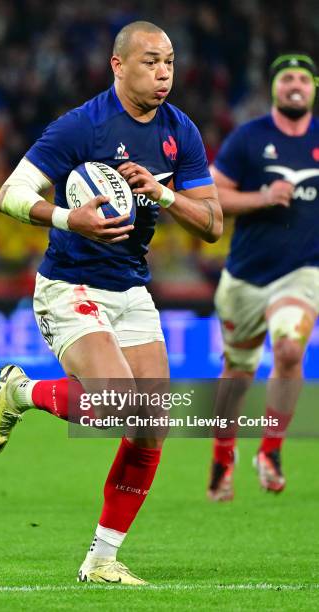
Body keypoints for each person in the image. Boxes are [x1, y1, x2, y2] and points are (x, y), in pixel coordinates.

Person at [0, 20, 222, 583]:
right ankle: (22, 391)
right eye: (150, 62)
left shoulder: (178, 130)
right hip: (70, 284)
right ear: (118, 65)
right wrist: (71, 219)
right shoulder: (80, 127)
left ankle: (102, 561)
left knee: (150, 422)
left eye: (169, 61)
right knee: (117, 404)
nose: (163, 73)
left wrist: (161, 192)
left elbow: (211, 223)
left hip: (130, 289)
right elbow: (9, 193)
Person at [208, 53, 319, 502]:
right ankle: (222, 455)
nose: (295, 85)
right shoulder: (249, 138)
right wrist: (262, 197)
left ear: (314, 88)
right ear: (274, 87)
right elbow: (213, 195)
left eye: (303, 79)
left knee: (291, 348)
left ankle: (270, 450)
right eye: (286, 78)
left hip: (303, 273)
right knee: (238, 371)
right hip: (245, 277)